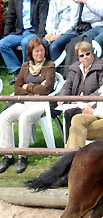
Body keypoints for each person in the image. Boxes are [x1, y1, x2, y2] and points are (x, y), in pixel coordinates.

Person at [0, 37, 55, 174]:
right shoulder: (25, 66)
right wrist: (34, 88)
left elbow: (46, 89)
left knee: (25, 117)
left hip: (41, 104)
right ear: (31, 52)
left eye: (42, 50)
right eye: (37, 51)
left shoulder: (50, 65)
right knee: (4, 116)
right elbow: (17, 88)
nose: (40, 54)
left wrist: (28, 86)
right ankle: (8, 155)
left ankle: (22, 155)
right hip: (25, 102)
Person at [56, 40, 103, 141]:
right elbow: (67, 85)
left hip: (94, 103)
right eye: (81, 55)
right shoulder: (75, 67)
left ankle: (77, 145)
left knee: (74, 114)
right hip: (77, 102)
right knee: (65, 112)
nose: (85, 57)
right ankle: (68, 144)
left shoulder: (101, 66)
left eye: (87, 54)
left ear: (92, 53)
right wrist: (62, 97)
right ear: (78, 57)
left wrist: (86, 100)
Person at [0, 0, 49, 85]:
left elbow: (43, 19)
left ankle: (26, 71)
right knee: (2, 43)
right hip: (20, 32)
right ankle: (17, 70)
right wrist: (6, 35)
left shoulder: (40, 1)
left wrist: (41, 37)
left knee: (25, 42)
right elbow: (10, 18)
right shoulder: (16, 1)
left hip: (34, 32)